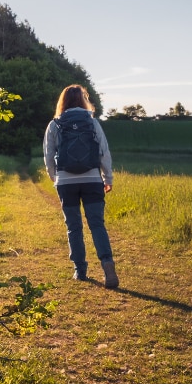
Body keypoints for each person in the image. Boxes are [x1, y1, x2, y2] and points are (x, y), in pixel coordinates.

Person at [43, 84, 119, 288]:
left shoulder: (55, 124)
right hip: (92, 179)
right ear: (84, 100)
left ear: (63, 101)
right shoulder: (92, 122)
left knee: (73, 226)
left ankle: (80, 270)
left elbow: (49, 155)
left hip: (66, 182)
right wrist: (107, 178)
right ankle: (107, 262)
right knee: (97, 224)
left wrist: (55, 178)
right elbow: (104, 152)